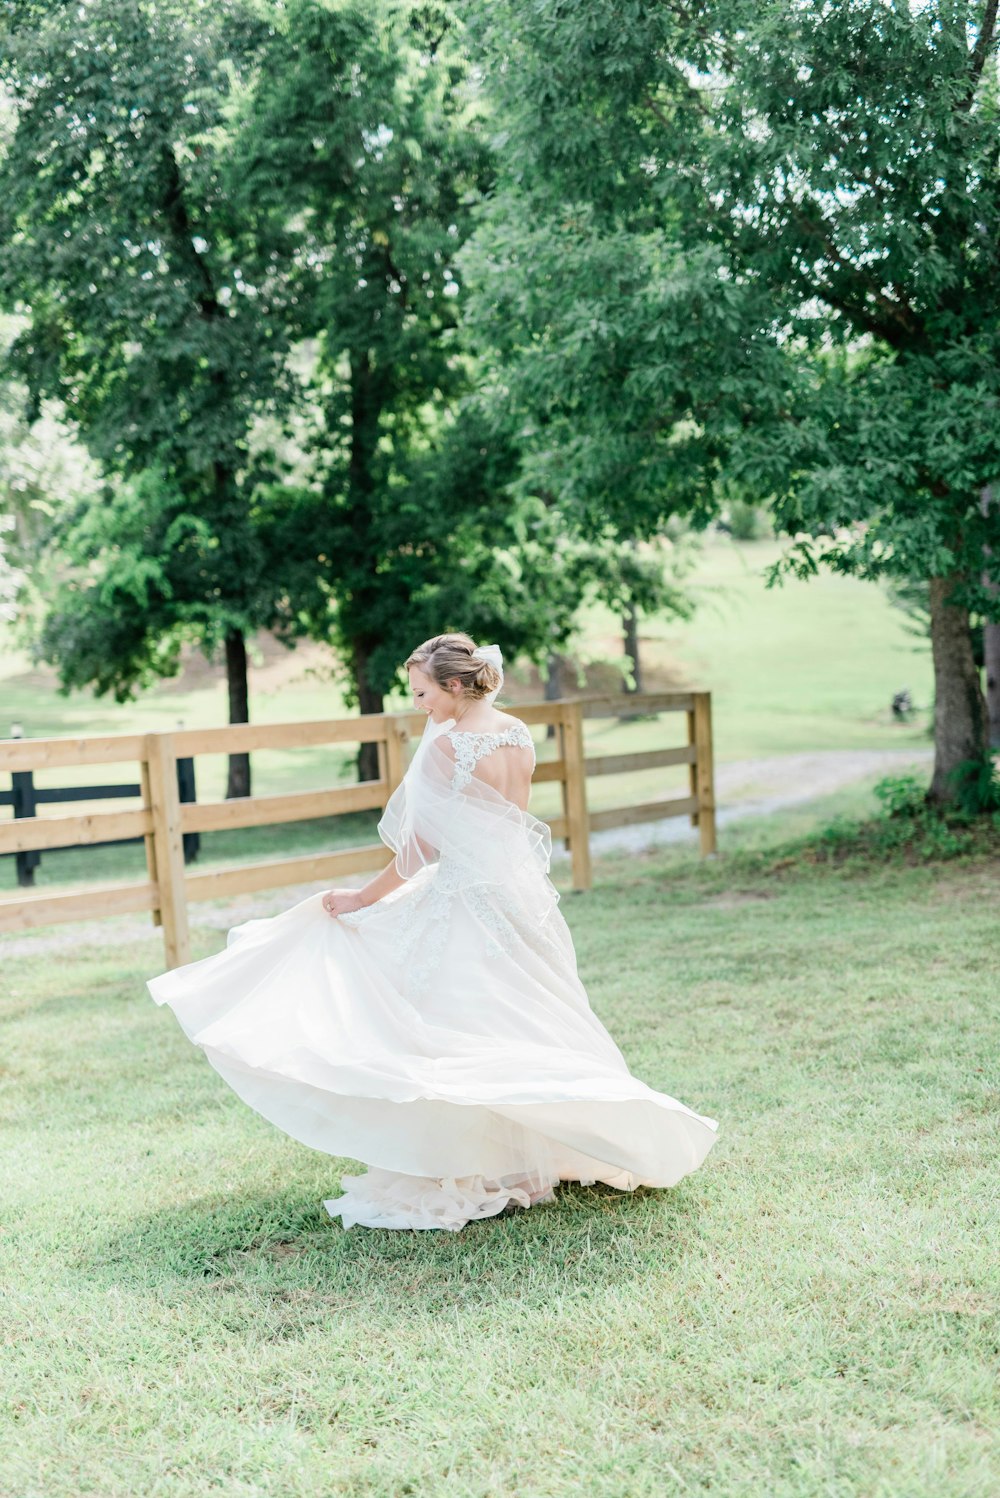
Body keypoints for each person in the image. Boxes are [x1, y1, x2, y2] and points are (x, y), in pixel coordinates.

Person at [148, 633, 717, 1231]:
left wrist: (360, 898)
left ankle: (468, 1158)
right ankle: (527, 1149)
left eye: (421, 691)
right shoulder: (518, 734)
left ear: (452, 685)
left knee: (452, 1025)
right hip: (519, 898)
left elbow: (420, 850)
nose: (417, 703)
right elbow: (512, 821)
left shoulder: (448, 748)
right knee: (521, 1016)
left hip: (467, 900)